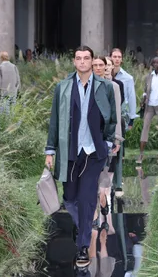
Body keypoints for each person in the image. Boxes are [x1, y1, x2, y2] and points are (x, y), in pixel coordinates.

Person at [45, 46, 117, 268]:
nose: (83, 62)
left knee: (86, 198)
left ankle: (83, 246)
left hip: (94, 152)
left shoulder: (104, 86)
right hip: (70, 151)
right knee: (69, 198)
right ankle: (85, 223)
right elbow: (55, 121)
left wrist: (107, 142)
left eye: (87, 58)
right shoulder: (63, 87)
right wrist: (50, 150)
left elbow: (112, 118)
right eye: (79, 58)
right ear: (74, 62)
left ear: (92, 61)